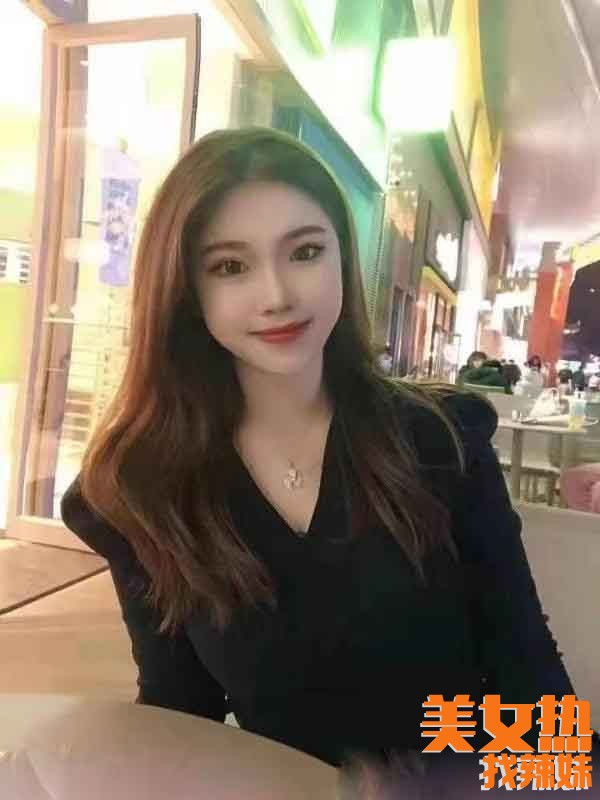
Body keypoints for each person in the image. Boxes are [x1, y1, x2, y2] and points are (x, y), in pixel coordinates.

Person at [60, 128, 574, 769]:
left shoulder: (440, 440)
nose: (277, 295)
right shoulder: (141, 491)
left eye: (305, 252)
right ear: (185, 290)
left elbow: (528, 674)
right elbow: (181, 712)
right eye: (230, 267)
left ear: (342, 259)